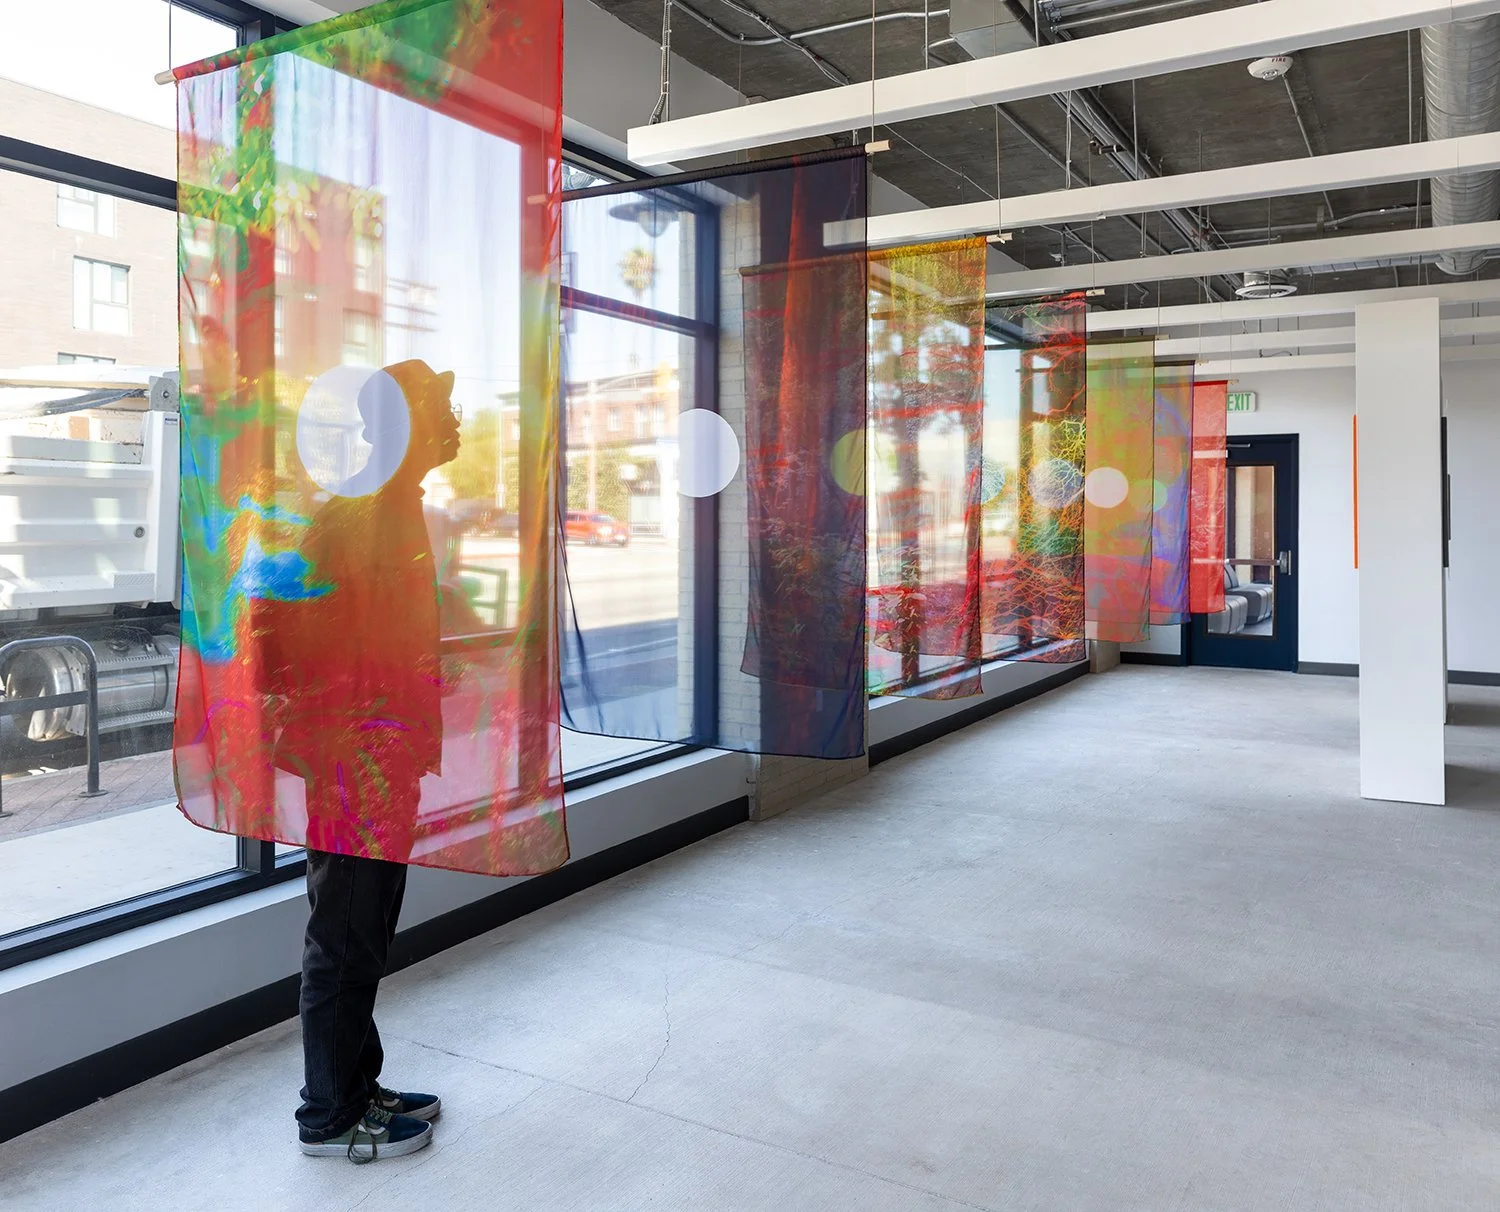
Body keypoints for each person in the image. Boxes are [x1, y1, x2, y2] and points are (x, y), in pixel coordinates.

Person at [268, 359, 462, 1163]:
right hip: (355, 763)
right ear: (405, 426)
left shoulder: (395, 508)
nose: (459, 424)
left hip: (384, 758)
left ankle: (355, 1081)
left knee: (366, 925)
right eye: (444, 410)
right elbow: (287, 633)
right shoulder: (353, 515)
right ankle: (328, 1115)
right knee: (343, 933)